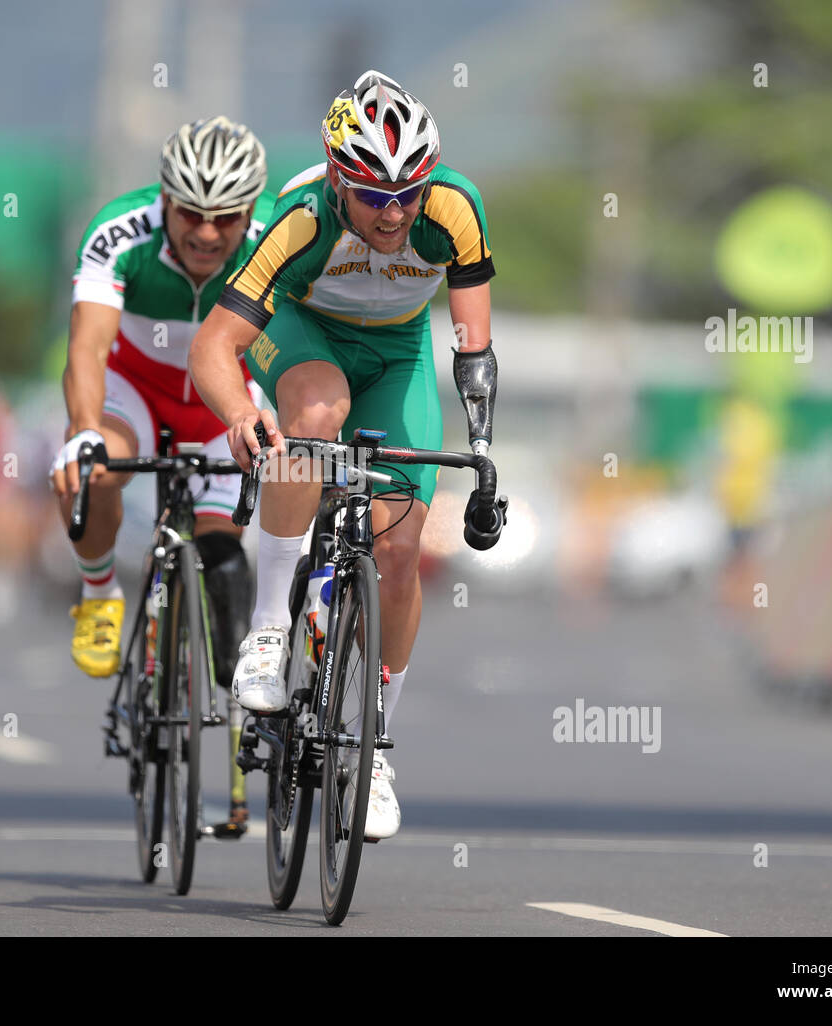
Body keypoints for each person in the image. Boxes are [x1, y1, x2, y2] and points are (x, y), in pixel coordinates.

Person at [188, 71, 498, 841]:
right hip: (301, 333)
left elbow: (474, 348)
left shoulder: (453, 209)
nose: (394, 214)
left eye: (408, 194)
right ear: (337, 179)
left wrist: (484, 451)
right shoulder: (299, 222)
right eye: (373, 197)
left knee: (397, 551)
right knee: (318, 410)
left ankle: (376, 746)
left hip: (397, 352)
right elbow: (211, 345)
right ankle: (267, 633)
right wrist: (237, 415)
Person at [51, 116, 272, 704]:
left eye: (224, 217)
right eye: (190, 213)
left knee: (224, 559)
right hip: (135, 393)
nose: (205, 233)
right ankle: (99, 593)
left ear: (251, 211)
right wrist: (82, 433)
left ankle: (231, 691)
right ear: (164, 200)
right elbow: (89, 348)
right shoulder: (119, 231)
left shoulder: (277, 238)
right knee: (91, 470)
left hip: (223, 404)